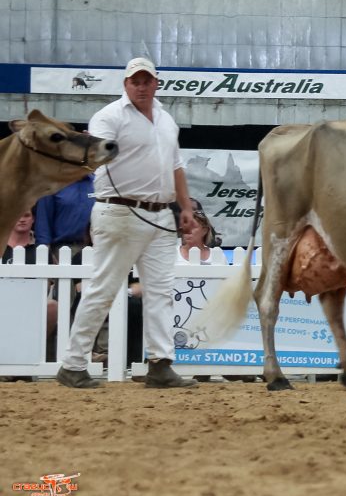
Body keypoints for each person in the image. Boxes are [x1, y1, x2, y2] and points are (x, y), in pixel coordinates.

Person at [57, 57, 199, 389]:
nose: (141, 86)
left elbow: (176, 166)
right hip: (119, 211)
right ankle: (73, 365)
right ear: (126, 84)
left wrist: (185, 207)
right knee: (103, 289)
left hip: (161, 214)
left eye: (147, 80)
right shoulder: (109, 116)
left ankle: (160, 364)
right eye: (135, 81)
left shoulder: (165, 119)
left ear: (156, 83)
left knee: (161, 292)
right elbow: (97, 153)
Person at [2, 210, 59, 369]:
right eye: (17, 215)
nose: (22, 219)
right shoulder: (2, 247)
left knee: (52, 307)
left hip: (32, 305)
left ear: (33, 219)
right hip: (3, 303)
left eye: (26, 215)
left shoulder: (41, 251)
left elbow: (47, 286)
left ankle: (29, 358)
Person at [34, 174, 95, 261]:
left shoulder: (97, 182)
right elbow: (43, 221)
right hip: (62, 249)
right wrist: (46, 252)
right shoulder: (52, 184)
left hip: (94, 248)